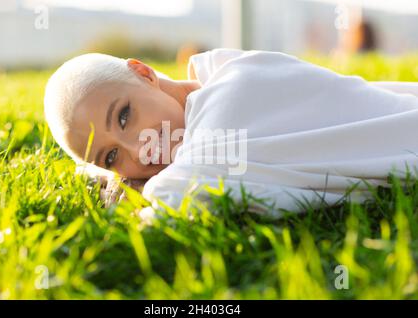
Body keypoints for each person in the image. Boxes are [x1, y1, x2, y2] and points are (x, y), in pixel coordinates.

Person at [44, 48, 418, 217]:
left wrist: (132, 188)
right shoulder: (211, 84)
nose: (140, 153)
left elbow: (173, 200)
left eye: (124, 117)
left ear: (144, 73)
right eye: (111, 156)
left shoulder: (234, 90)